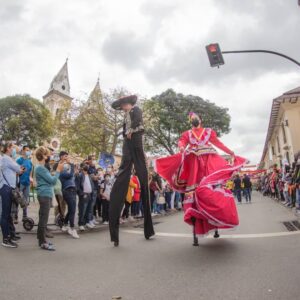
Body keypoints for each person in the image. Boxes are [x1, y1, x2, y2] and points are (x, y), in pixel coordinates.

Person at [155, 112, 246, 244]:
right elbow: (182, 141)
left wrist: (230, 152)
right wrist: (181, 147)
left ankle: (215, 225)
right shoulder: (187, 134)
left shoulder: (208, 132)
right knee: (194, 197)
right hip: (194, 169)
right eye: (192, 119)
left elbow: (218, 144)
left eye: (196, 118)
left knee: (212, 194)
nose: (194, 119)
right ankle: (196, 234)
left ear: (200, 120)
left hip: (209, 166)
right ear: (190, 122)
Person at [109, 95, 155, 246]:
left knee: (142, 174)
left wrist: (130, 130)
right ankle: (114, 234)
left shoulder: (136, 110)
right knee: (123, 173)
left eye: (123, 105)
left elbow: (137, 121)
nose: (122, 108)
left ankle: (149, 230)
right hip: (128, 144)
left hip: (136, 141)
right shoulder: (125, 116)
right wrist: (126, 132)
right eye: (121, 106)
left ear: (128, 104)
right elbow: (124, 131)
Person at [35, 147, 64, 251]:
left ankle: (41, 240)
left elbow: (49, 179)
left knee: (42, 218)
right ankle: (43, 242)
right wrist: (58, 171)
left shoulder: (41, 168)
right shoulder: (40, 168)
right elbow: (52, 181)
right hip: (44, 195)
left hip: (44, 194)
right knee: (44, 219)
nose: (49, 156)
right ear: (43, 156)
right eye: (47, 154)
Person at [0, 142, 25, 248]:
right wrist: (20, 169)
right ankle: (5, 239)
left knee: (8, 214)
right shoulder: (6, 159)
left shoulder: (7, 159)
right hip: (6, 188)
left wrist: (19, 170)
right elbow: (19, 169)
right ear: (8, 149)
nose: (14, 150)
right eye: (13, 148)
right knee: (5, 215)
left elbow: (18, 170)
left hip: (7, 187)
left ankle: (10, 235)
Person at [59, 151, 79, 239]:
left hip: (72, 190)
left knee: (72, 209)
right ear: (61, 157)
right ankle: (72, 228)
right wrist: (71, 165)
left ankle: (65, 224)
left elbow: (72, 176)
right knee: (73, 210)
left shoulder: (67, 168)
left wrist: (73, 169)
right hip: (67, 190)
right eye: (65, 156)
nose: (67, 158)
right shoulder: (60, 168)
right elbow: (70, 175)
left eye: (67, 156)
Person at [16, 145, 33, 221]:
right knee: (18, 199)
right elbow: (16, 172)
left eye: (29, 150)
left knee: (25, 201)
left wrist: (31, 178)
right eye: (26, 150)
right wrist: (21, 171)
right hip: (20, 183)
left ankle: (24, 216)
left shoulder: (29, 161)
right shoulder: (19, 160)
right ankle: (15, 216)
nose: (28, 151)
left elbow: (30, 171)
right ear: (22, 151)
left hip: (27, 183)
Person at [76, 165, 94, 231]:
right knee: (82, 210)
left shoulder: (89, 176)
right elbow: (77, 186)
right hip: (84, 195)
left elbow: (91, 185)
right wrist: (82, 194)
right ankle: (81, 224)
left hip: (90, 194)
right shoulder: (80, 175)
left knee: (88, 209)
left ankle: (87, 222)